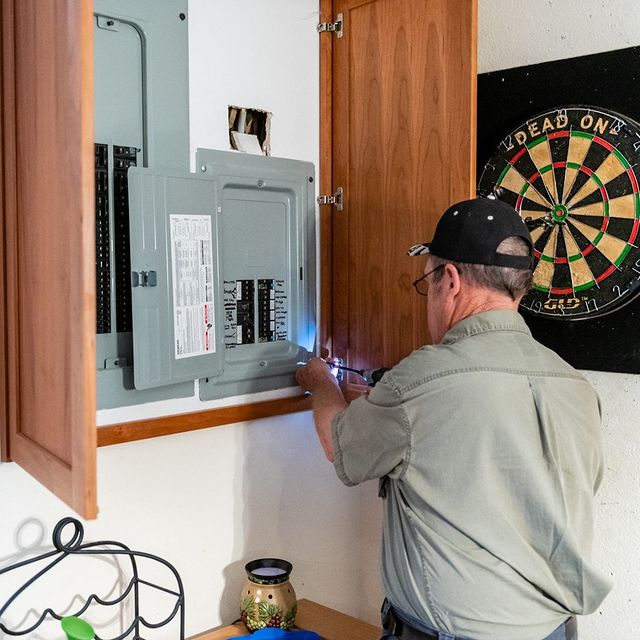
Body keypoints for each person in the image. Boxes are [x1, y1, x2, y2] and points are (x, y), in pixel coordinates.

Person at [296, 197, 611, 640]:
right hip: (555, 631)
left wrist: (318, 380)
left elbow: (338, 444)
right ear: (517, 286)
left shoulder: (421, 380)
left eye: (428, 280)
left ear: (450, 279)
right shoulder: (575, 386)